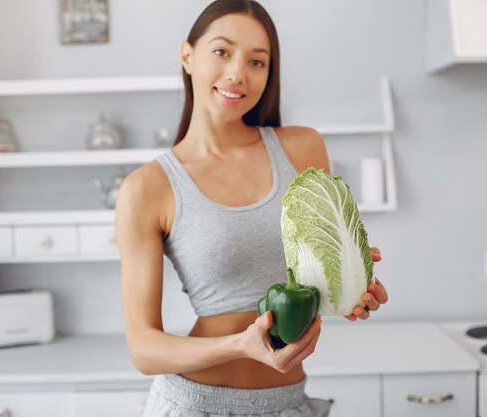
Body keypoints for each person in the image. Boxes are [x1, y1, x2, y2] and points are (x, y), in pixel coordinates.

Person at [115, 1, 389, 415]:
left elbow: (313, 287)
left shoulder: (303, 148)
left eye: (257, 61)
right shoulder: (147, 188)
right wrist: (240, 345)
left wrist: (352, 285)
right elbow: (144, 349)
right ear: (188, 56)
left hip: (289, 402)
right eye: (222, 51)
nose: (237, 73)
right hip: (195, 405)